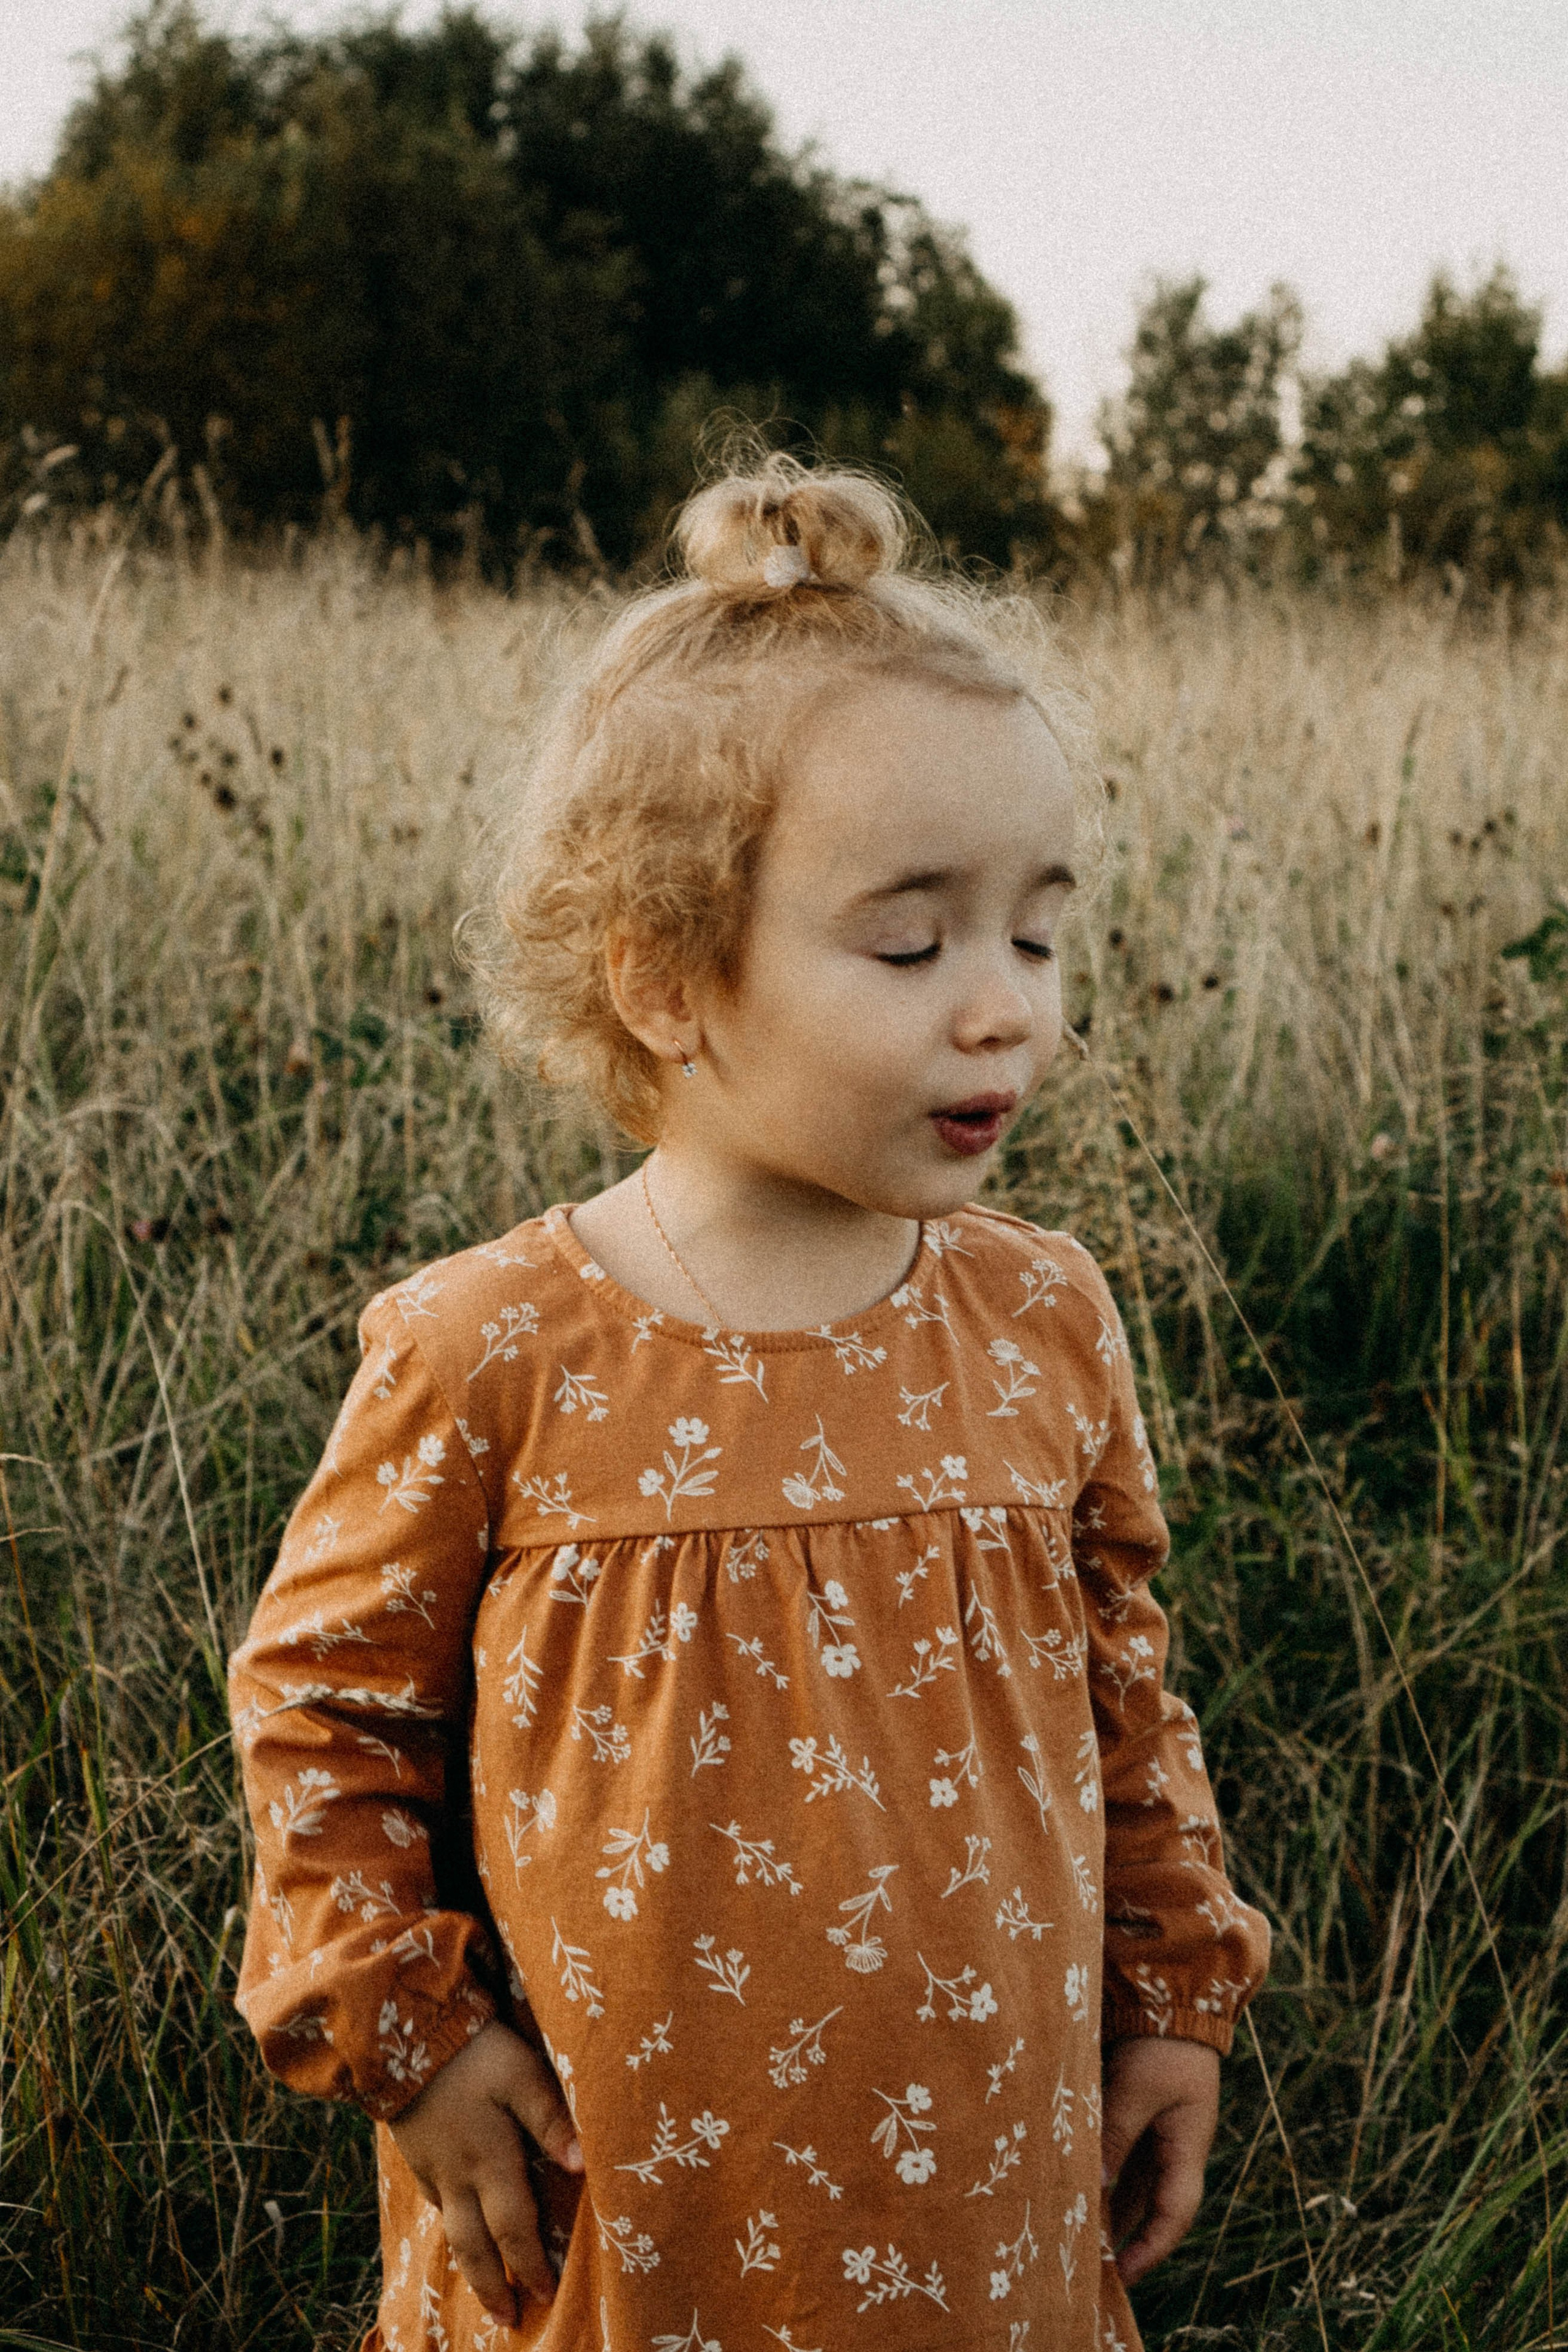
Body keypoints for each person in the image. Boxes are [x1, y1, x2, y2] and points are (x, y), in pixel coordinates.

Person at [230, 454, 1270, 2352]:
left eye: (1036, 932)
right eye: (911, 941)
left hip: (978, 2204)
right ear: (665, 980)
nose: (1008, 1008)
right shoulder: (495, 1347)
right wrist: (412, 2034)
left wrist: (1172, 1996)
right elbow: (322, 1715)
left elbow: (1127, 1683)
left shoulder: (1040, 1316)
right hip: (623, 2209)